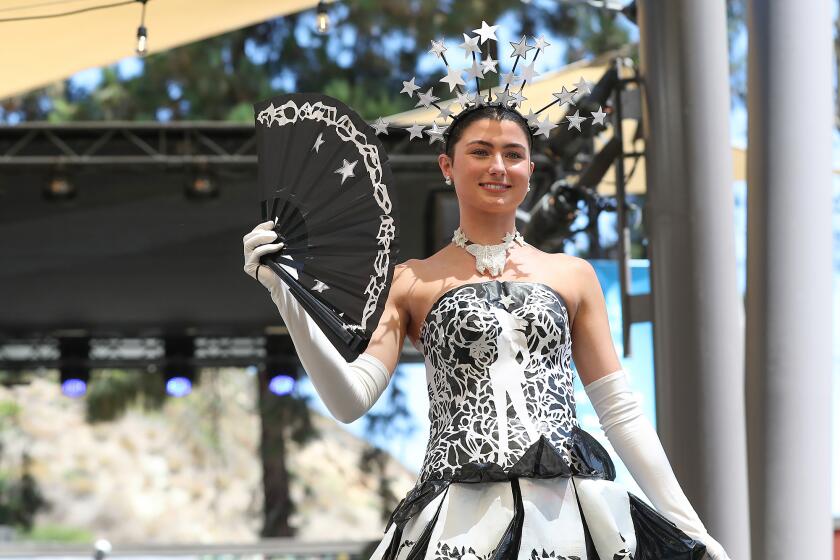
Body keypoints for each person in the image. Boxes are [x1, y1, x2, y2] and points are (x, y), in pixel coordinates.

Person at [243, 104, 730, 560]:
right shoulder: (410, 280)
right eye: (480, 151)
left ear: (531, 171)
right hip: (458, 520)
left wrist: (691, 527)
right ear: (446, 166)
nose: (498, 166)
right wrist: (283, 294)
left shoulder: (573, 275)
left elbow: (619, 412)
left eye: (513, 154)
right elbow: (350, 401)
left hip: (566, 513)